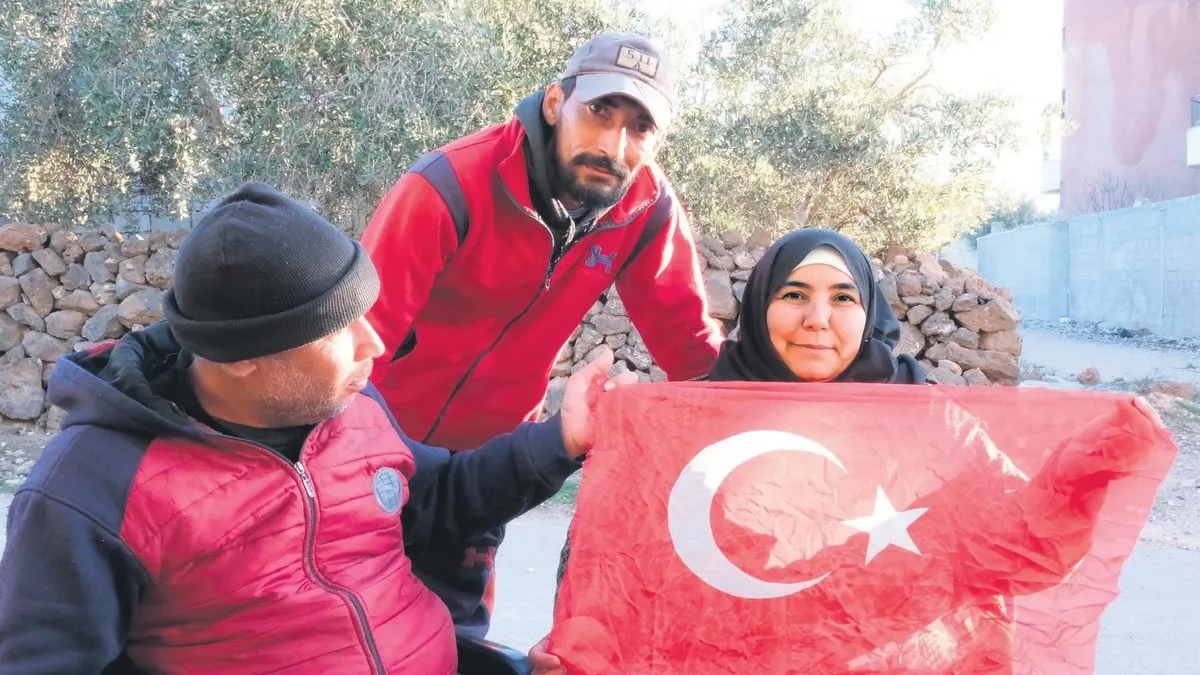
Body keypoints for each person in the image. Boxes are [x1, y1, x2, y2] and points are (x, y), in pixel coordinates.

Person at [0, 182, 634, 674]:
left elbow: (439, 495)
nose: (377, 344)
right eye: (339, 327)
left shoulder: (346, 407)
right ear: (242, 356)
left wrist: (562, 438)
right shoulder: (92, 491)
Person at [359, 30, 725, 634]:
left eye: (639, 128)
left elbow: (692, 347)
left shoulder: (646, 208)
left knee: (455, 643)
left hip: (488, 472)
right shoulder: (448, 185)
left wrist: (789, 407)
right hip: (377, 455)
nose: (613, 144)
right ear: (556, 103)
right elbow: (360, 343)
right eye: (599, 111)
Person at [529, 227, 928, 674]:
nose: (817, 319)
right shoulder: (683, 420)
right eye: (794, 295)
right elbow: (607, 562)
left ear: (868, 310)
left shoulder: (929, 420)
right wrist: (580, 639)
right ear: (760, 306)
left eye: (842, 298)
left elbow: (994, 544)